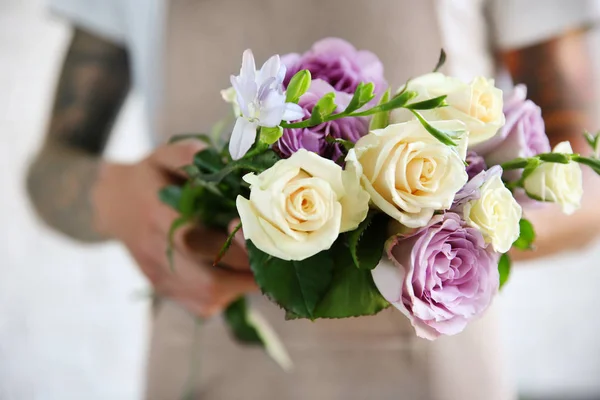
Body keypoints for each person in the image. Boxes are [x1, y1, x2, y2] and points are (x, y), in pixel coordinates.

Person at [26, 0, 600, 399]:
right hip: (208, 355)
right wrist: (119, 199)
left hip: (431, 372)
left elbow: (587, 191)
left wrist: (442, 232)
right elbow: (50, 171)